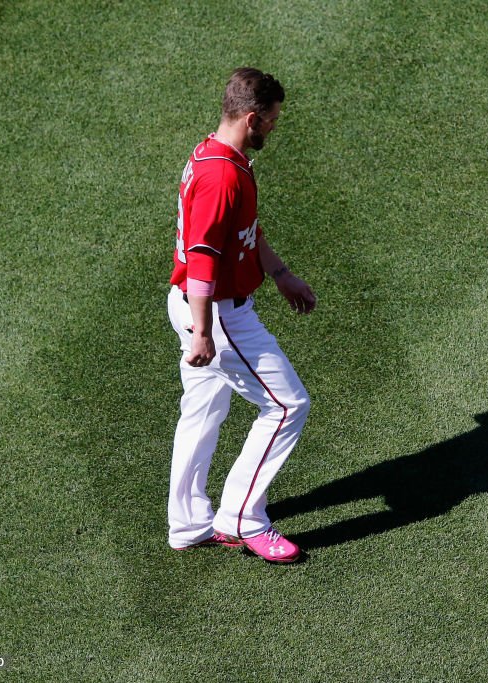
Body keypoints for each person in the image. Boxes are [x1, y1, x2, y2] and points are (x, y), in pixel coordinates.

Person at [165, 67, 316, 563]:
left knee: (204, 409)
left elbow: (243, 230)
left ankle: (187, 523)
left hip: (198, 306)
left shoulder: (218, 154)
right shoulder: (222, 175)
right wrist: (204, 331)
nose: (275, 126)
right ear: (252, 117)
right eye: (272, 119)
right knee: (287, 405)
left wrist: (280, 273)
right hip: (216, 313)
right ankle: (242, 518)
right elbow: (204, 259)